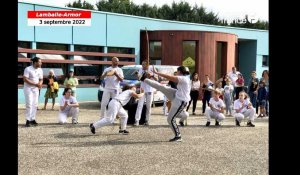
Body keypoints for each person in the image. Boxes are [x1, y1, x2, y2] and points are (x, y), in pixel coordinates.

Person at [142, 66, 190, 142]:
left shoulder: (183, 78)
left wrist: (156, 73)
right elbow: (168, 78)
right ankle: (144, 79)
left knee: (170, 119)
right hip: (176, 94)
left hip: (181, 101)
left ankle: (178, 136)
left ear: (180, 71)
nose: (176, 73)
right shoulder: (184, 78)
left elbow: (168, 77)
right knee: (162, 87)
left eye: (177, 71)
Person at [134, 60, 158, 126]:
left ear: (147, 64)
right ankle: (137, 120)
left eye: (144, 64)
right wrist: (137, 75)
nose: (143, 66)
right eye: (142, 64)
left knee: (148, 106)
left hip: (150, 89)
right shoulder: (140, 69)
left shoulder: (152, 68)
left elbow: (156, 79)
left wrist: (151, 75)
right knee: (140, 105)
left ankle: (147, 120)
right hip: (142, 89)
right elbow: (139, 79)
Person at [23, 57, 43, 127]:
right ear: (35, 62)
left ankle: (33, 119)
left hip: (36, 89)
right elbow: (25, 79)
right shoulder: (28, 69)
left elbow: (41, 79)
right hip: (28, 89)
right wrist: (35, 84)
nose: (41, 63)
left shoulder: (40, 70)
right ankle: (28, 120)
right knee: (29, 104)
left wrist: (40, 83)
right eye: (40, 62)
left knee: (35, 104)